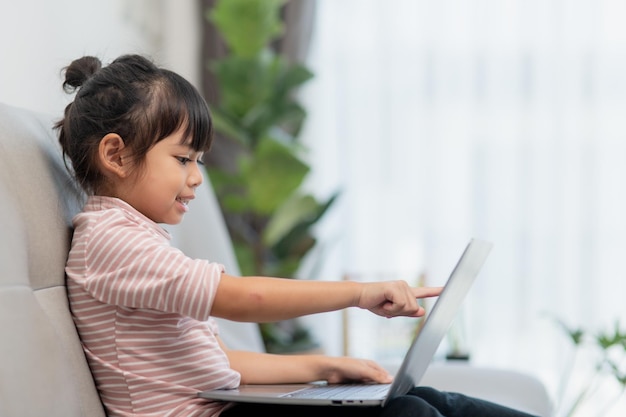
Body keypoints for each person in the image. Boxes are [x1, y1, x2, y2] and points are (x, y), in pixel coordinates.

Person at [57, 54, 538, 417]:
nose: (197, 177)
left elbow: (217, 362)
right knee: (411, 413)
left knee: (429, 399)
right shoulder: (110, 241)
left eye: (198, 161)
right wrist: (359, 294)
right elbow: (247, 296)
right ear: (115, 155)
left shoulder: (136, 238)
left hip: (225, 407)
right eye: (183, 159)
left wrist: (323, 368)